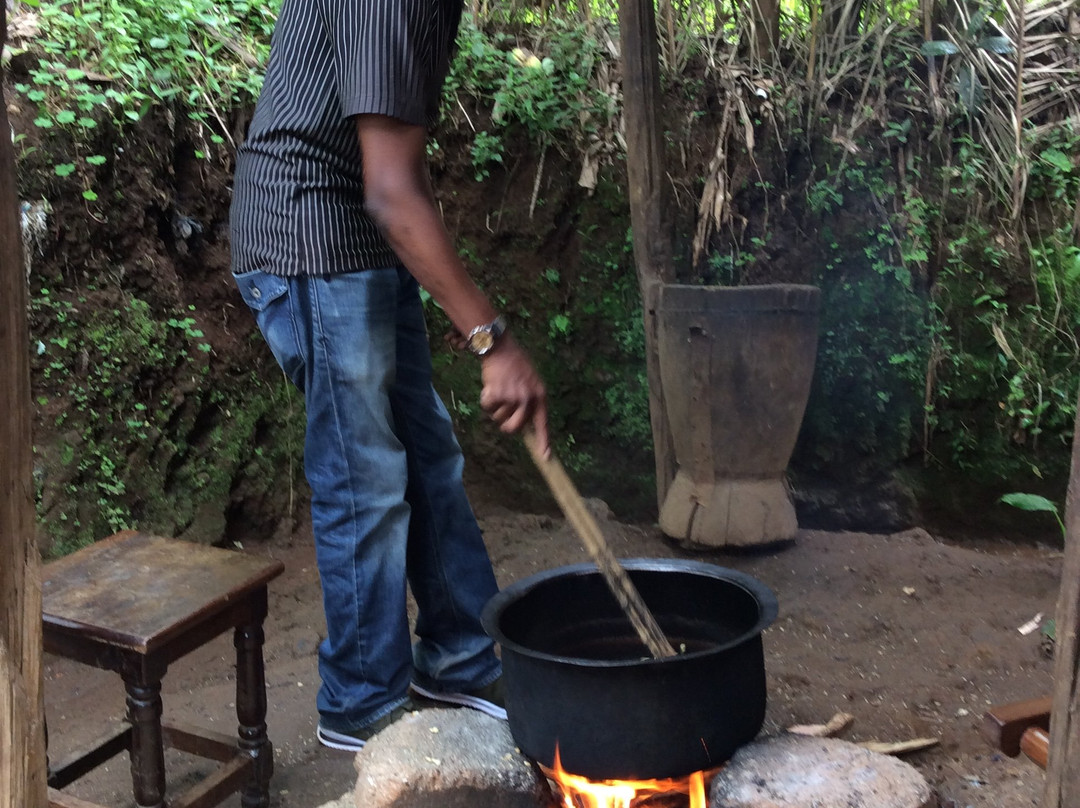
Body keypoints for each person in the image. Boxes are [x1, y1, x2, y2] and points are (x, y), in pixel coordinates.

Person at [229, 0, 549, 752]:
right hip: (309, 235)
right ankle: (363, 699)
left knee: (430, 460)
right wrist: (491, 338)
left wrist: (442, 283)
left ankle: (460, 658)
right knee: (364, 480)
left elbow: (397, 167)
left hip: (363, 237)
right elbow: (391, 190)